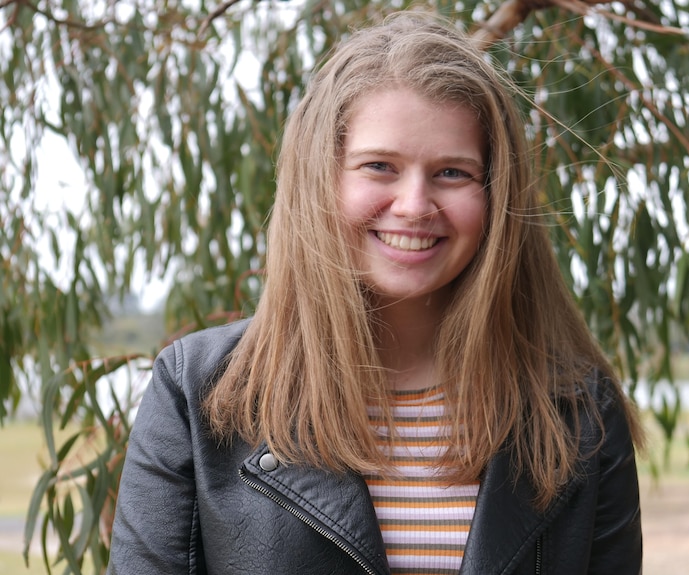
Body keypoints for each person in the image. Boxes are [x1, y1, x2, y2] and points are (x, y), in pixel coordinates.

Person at [108, 11, 644, 575]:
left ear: (496, 195)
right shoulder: (197, 394)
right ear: (322, 181)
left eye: (453, 173)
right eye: (380, 166)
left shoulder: (580, 413)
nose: (414, 205)